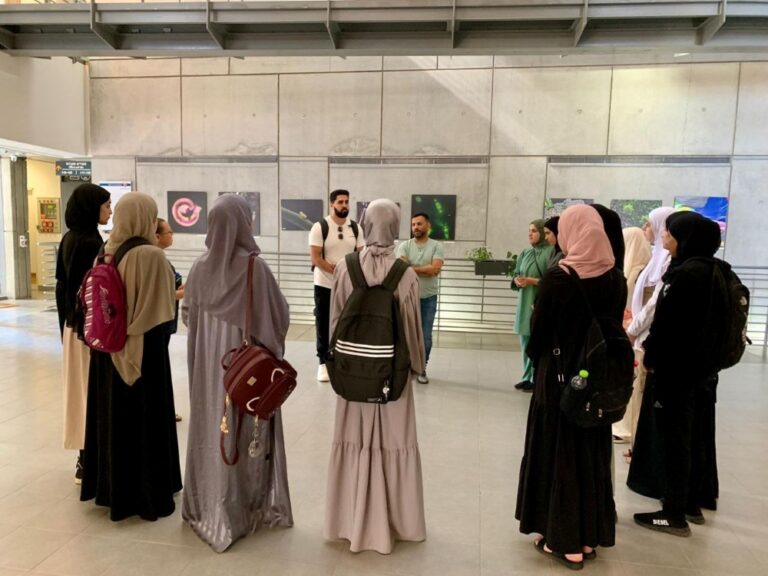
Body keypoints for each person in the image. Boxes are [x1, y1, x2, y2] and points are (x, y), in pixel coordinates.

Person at [516, 204, 626, 570]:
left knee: (558, 451)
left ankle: (562, 540)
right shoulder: (615, 276)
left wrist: (536, 353)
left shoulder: (560, 276)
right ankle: (587, 537)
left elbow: (539, 335)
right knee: (589, 453)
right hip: (597, 378)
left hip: (559, 377)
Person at [182, 194, 293, 552]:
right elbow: (278, 317)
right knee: (246, 433)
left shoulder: (200, 268)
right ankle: (242, 508)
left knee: (210, 426)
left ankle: (206, 500)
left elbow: (188, 316)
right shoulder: (254, 268)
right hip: (245, 373)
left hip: (210, 371)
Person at [325, 199, 426, 554]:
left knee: (353, 441)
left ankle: (349, 521)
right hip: (392, 377)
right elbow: (413, 333)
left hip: (353, 375)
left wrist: (336, 363)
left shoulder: (345, 268)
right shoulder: (406, 274)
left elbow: (335, 323)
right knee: (395, 443)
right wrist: (418, 367)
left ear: (365, 225)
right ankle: (396, 522)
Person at [80, 193, 181, 521]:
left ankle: (112, 489)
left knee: (113, 417)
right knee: (145, 422)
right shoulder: (150, 255)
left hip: (107, 350)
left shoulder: (105, 250)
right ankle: (147, 495)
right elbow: (163, 307)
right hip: (143, 350)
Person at [633, 211, 723, 537]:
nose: (664, 238)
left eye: (669, 234)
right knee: (692, 436)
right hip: (702, 371)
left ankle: (673, 512)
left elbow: (667, 326)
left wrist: (651, 359)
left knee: (674, 439)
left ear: (684, 238)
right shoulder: (714, 271)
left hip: (676, 372)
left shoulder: (685, 275)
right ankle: (689, 503)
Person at [55, 182, 111, 484]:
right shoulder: (91, 242)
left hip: (72, 327)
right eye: (106, 206)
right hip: (88, 330)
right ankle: (89, 460)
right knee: (89, 391)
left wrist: (67, 327)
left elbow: (61, 287)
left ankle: (84, 457)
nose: (110, 211)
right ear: (92, 208)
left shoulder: (68, 239)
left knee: (77, 390)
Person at [622, 207, 675, 462]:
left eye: (651, 225)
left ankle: (640, 449)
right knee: (639, 392)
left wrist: (632, 330)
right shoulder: (657, 258)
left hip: (647, 338)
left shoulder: (668, 261)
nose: (650, 232)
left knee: (645, 396)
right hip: (640, 336)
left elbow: (654, 304)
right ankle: (637, 445)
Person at [309, 189, 365, 382]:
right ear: (332, 204)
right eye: (340, 202)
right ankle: (323, 362)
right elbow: (316, 258)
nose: (344, 205)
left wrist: (348, 274)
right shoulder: (320, 227)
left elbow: (361, 255)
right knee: (323, 322)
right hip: (324, 283)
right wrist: (336, 271)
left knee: (347, 321)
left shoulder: (356, 228)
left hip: (349, 284)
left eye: (347, 202)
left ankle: (343, 358)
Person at [611, 226, 651, 443]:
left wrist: (631, 324)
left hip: (634, 332)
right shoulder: (638, 268)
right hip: (627, 329)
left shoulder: (640, 270)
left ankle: (627, 428)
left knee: (634, 382)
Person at [396, 212, 444, 384]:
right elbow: (401, 268)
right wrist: (423, 268)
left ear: (428, 226)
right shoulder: (404, 246)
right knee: (405, 335)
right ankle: (407, 367)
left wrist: (411, 267)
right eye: (413, 224)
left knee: (425, 337)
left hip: (428, 298)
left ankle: (422, 368)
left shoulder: (437, 246)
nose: (416, 227)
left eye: (419, 224)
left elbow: (435, 270)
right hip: (407, 297)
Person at [511, 219, 553, 392]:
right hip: (524, 302)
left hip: (538, 303)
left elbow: (552, 281)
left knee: (537, 341)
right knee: (525, 341)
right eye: (529, 230)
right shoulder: (526, 251)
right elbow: (516, 273)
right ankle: (526, 376)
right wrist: (517, 280)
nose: (530, 234)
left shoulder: (551, 252)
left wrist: (531, 281)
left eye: (534, 230)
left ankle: (536, 378)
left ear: (543, 233)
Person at [156, 218, 185, 422]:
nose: (171, 236)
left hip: (165, 323)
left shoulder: (160, 259)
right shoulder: (155, 260)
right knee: (159, 370)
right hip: (159, 324)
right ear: (157, 236)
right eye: (169, 232)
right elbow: (164, 295)